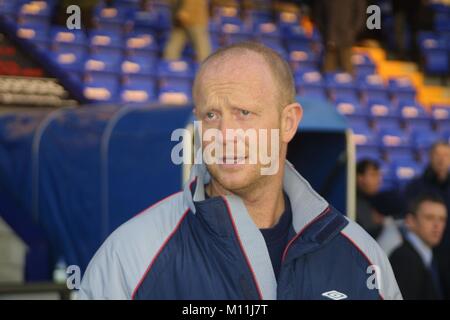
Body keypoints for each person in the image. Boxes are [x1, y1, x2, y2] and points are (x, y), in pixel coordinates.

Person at [78, 42, 401, 300]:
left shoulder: (362, 257)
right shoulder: (131, 256)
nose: (225, 133)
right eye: (211, 115)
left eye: (244, 113)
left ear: (287, 122)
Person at [404, 141, 450, 299]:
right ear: (430, 157)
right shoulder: (416, 186)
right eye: (438, 155)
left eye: (446, 155)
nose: (442, 159)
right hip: (420, 251)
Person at [389, 193, 447, 300]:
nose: (437, 225)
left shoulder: (432, 256)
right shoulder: (403, 258)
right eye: (429, 218)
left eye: (442, 219)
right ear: (410, 221)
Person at [312, 0, 366, 74]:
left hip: (347, 41)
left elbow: (360, 16)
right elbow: (318, 17)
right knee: (328, 73)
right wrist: (327, 34)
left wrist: (351, 33)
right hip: (329, 41)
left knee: (348, 75)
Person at [356, 159, 385, 238]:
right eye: (373, 175)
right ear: (360, 178)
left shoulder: (377, 199)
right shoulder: (353, 202)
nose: (378, 180)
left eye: (379, 175)